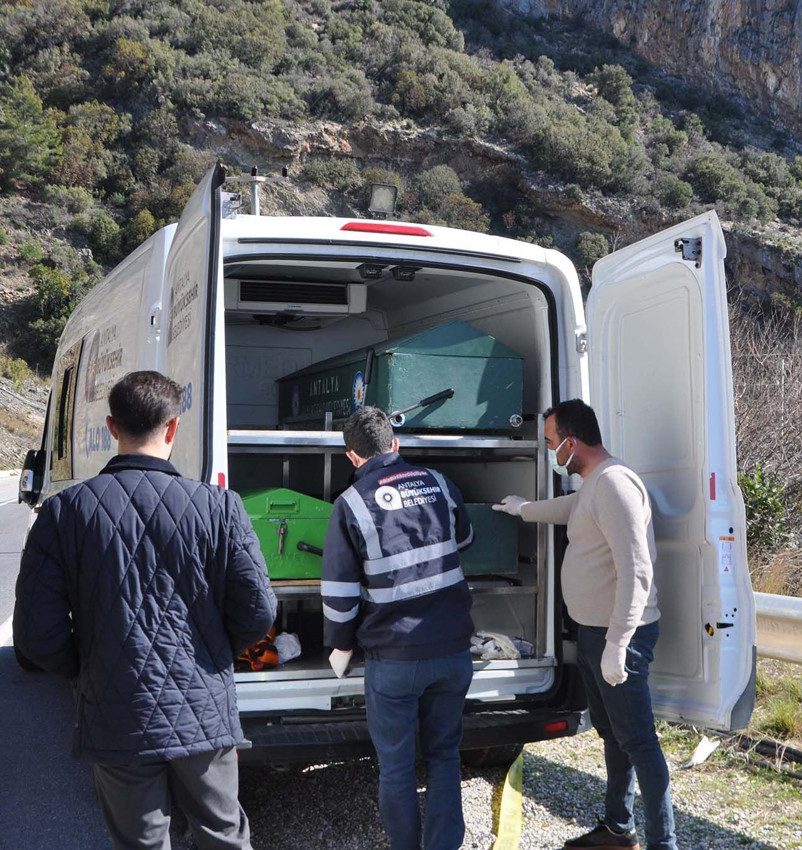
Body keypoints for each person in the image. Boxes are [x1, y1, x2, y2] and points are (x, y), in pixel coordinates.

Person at [14, 370, 277, 850]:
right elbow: (258, 609)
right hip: (204, 710)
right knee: (223, 838)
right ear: (173, 428)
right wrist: (214, 654)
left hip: (118, 716)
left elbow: (35, 633)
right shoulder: (221, 507)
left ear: (113, 428)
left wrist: (87, 671)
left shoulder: (65, 512)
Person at [493, 399, 676, 850]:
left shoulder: (614, 484)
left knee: (638, 741)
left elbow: (637, 571)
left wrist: (618, 643)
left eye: (553, 443)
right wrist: (522, 509)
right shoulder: (594, 485)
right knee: (613, 734)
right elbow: (568, 509)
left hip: (619, 637)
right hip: (594, 632)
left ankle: (663, 843)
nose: (552, 452)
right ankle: (618, 829)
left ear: (572, 443)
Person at [321, 406, 475, 850]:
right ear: (396, 445)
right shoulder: (439, 484)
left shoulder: (350, 504)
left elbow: (340, 593)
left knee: (396, 766)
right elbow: (463, 539)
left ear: (352, 457)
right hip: (452, 650)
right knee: (445, 755)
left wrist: (340, 646)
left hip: (395, 658)